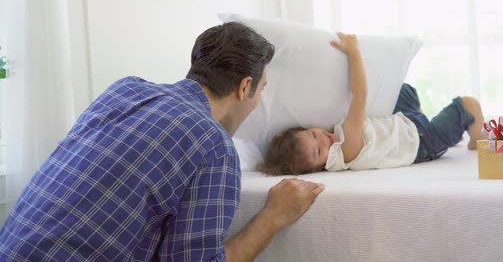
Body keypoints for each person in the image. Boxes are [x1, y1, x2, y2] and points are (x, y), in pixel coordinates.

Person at [0, 22, 325, 261]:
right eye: (262, 89)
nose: (257, 101)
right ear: (244, 87)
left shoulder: (123, 90)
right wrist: (272, 218)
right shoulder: (214, 144)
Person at [260, 32, 487, 175]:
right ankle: (477, 140)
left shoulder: (335, 139)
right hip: (423, 142)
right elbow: (360, 94)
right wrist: (354, 52)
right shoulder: (347, 147)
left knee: (401, 90)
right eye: (320, 150)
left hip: (404, 121)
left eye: (312, 134)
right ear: (319, 167)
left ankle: (433, 122)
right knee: (469, 105)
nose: (323, 139)